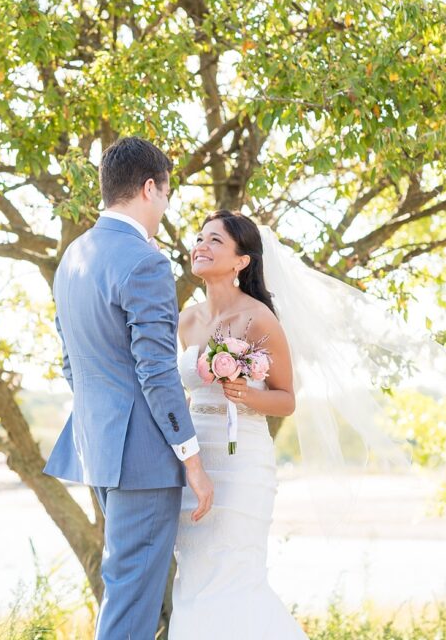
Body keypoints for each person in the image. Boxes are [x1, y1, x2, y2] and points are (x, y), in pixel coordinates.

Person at [44, 137, 215, 640]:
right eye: (166, 195)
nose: (165, 208)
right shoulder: (146, 262)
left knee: (123, 591)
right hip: (142, 458)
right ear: (148, 188)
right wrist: (193, 460)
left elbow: (70, 364)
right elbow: (157, 371)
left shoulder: (74, 256)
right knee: (132, 605)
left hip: (97, 447)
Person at [169, 209, 309, 639]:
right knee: (194, 575)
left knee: (235, 574)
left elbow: (286, 400)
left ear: (241, 261)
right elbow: (184, 392)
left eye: (215, 241)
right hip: (196, 459)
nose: (201, 246)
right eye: (199, 238)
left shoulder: (260, 319)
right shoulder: (187, 319)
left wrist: (247, 394)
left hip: (242, 460)